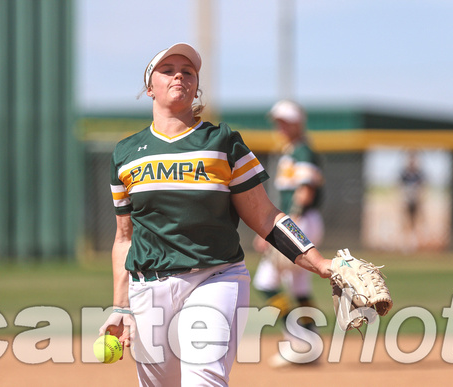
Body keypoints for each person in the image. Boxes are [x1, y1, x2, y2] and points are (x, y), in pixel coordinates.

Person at [98, 42, 334, 386]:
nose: (179, 74)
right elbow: (125, 238)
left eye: (188, 71)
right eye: (167, 70)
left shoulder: (222, 142)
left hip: (216, 276)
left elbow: (267, 216)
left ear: (195, 86)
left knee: (204, 378)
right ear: (150, 88)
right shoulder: (126, 154)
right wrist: (120, 306)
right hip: (149, 286)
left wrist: (320, 262)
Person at [251, 100, 325, 367]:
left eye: (285, 122)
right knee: (299, 285)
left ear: (298, 123)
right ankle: (309, 345)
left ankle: (299, 339)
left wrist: (280, 230)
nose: (279, 126)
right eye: (278, 122)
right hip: (302, 220)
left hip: (300, 220)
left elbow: (305, 191)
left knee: (266, 282)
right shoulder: (293, 150)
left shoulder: (301, 152)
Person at [399, 151, 425, 251]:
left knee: (416, 222)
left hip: (416, 200)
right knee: (405, 222)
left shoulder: (419, 174)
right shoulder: (404, 174)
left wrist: (420, 198)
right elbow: (399, 187)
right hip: (406, 200)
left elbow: (423, 188)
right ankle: (405, 244)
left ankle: (415, 243)